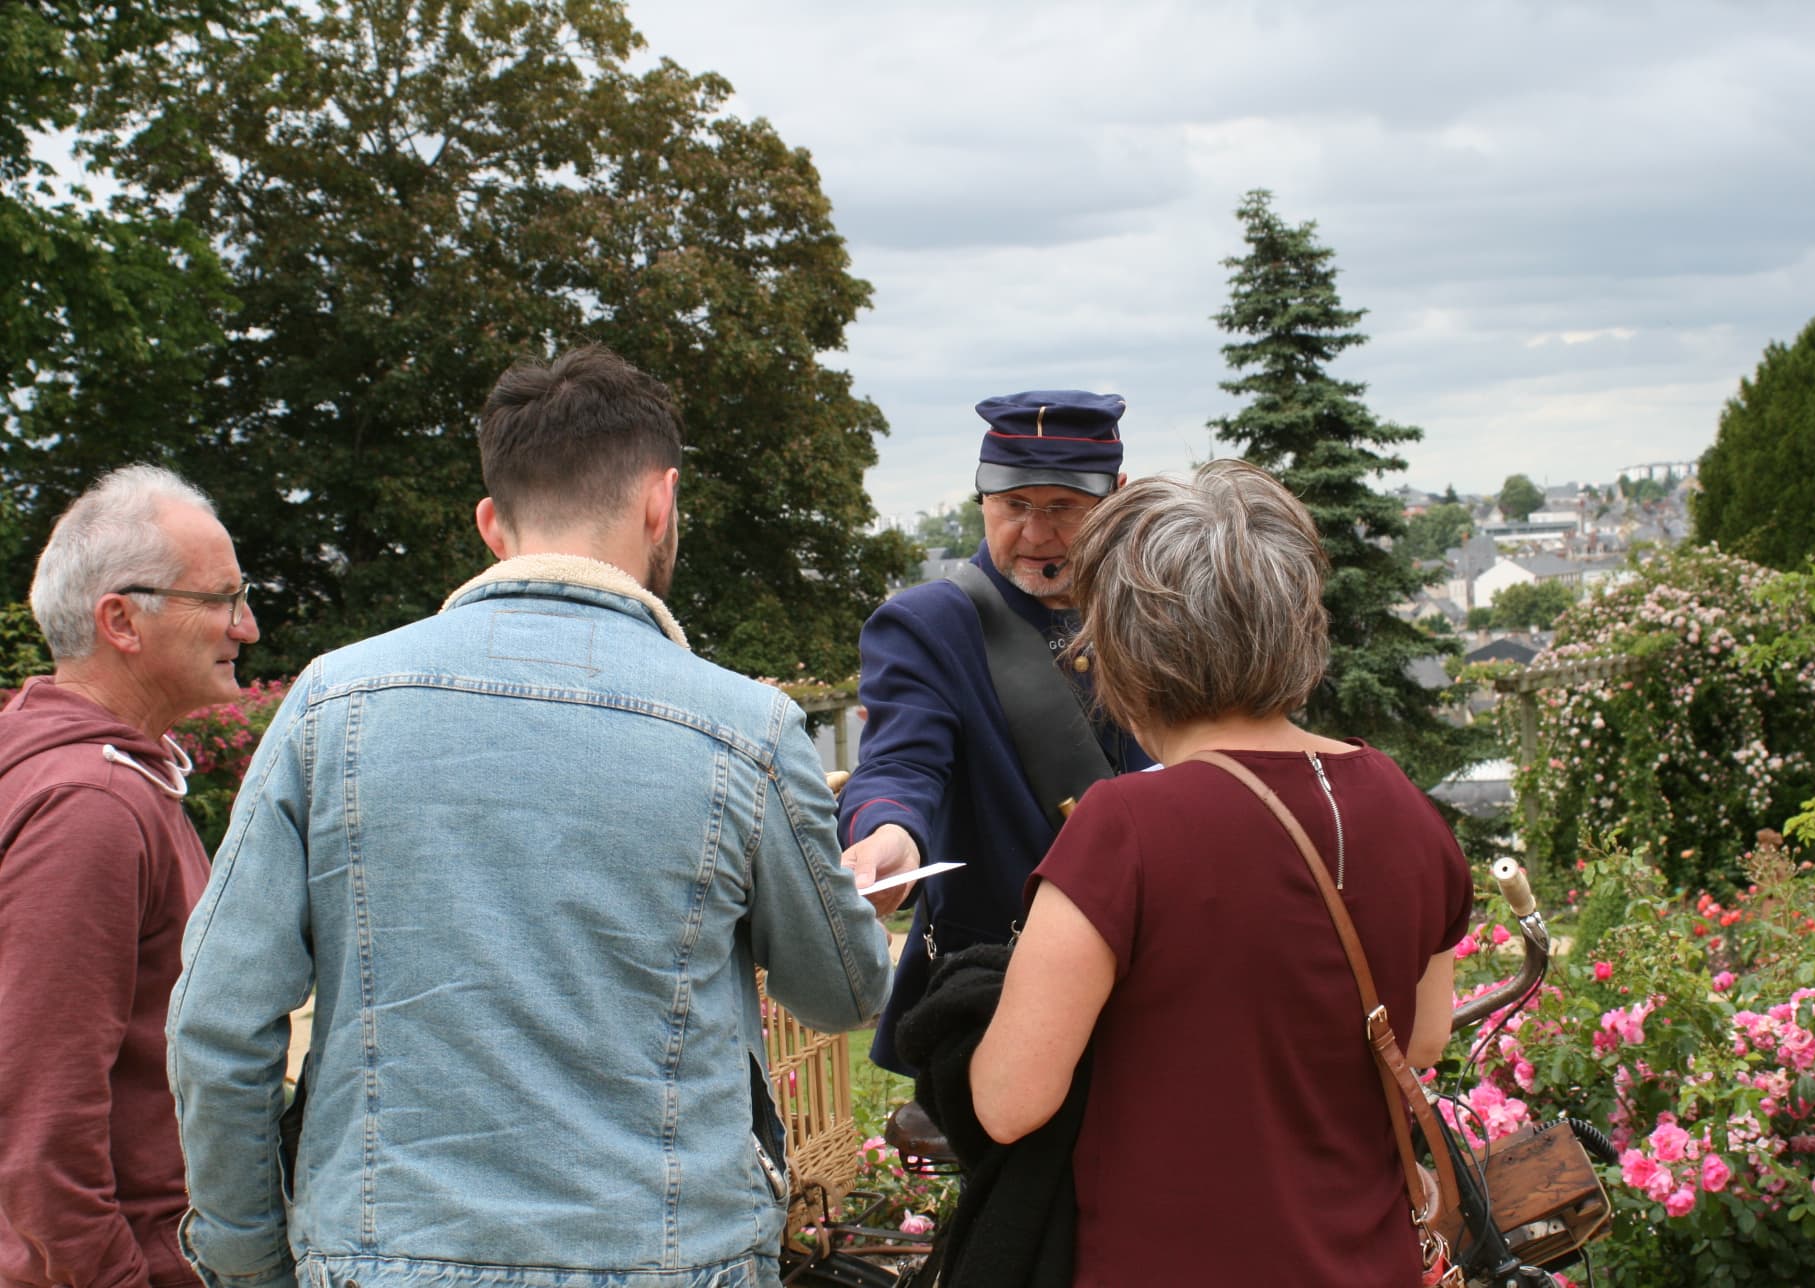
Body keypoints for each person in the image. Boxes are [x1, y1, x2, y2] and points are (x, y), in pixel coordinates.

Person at [167, 345, 892, 1288]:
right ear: (659, 503)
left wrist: (249, 1260)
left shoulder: (328, 706)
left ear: (489, 523)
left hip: (381, 1255)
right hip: (673, 1257)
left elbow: (219, 1027)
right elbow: (842, 990)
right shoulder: (745, 731)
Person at [967, 461, 1473, 1286]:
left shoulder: (1122, 828)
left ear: (1127, 643)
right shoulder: (1399, 801)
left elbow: (1011, 1100)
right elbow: (1420, 1040)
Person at [838, 391, 1154, 1074]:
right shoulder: (928, 627)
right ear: (983, 497)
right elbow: (901, 765)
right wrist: (889, 833)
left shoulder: (1160, 614)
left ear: (1116, 499)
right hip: (1001, 995)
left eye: (1063, 507)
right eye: (1014, 505)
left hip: (1156, 987)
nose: (1036, 535)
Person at [0, 465, 260, 1288]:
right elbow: (39, 1120)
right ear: (121, 620)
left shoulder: (104, 776)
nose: (246, 627)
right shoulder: (92, 804)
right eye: (220, 598)